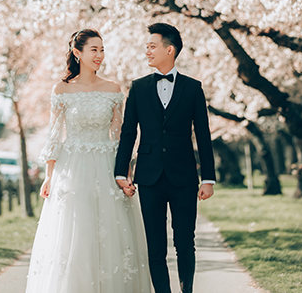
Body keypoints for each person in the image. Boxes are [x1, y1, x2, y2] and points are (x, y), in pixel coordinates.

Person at [25, 29, 151, 293]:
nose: (100, 55)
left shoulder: (113, 89)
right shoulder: (61, 89)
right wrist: (49, 175)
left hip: (106, 167)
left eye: (102, 50)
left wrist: (125, 175)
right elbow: (54, 136)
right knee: (76, 233)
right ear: (77, 52)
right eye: (94, 49)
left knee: (111, 237)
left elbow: (120, 139)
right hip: (72, 169)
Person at [114, 23, 216, 293]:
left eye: (152, 46)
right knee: (155, 247)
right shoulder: (137, 88)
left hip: (183, 177)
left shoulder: (193, 88)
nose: (147, 50)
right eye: (146, 46)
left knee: (185, 243)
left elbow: (203, 136)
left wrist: (208, 178)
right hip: (148, 177)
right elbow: (128, 133)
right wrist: (121, 173)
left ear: (169, 50)